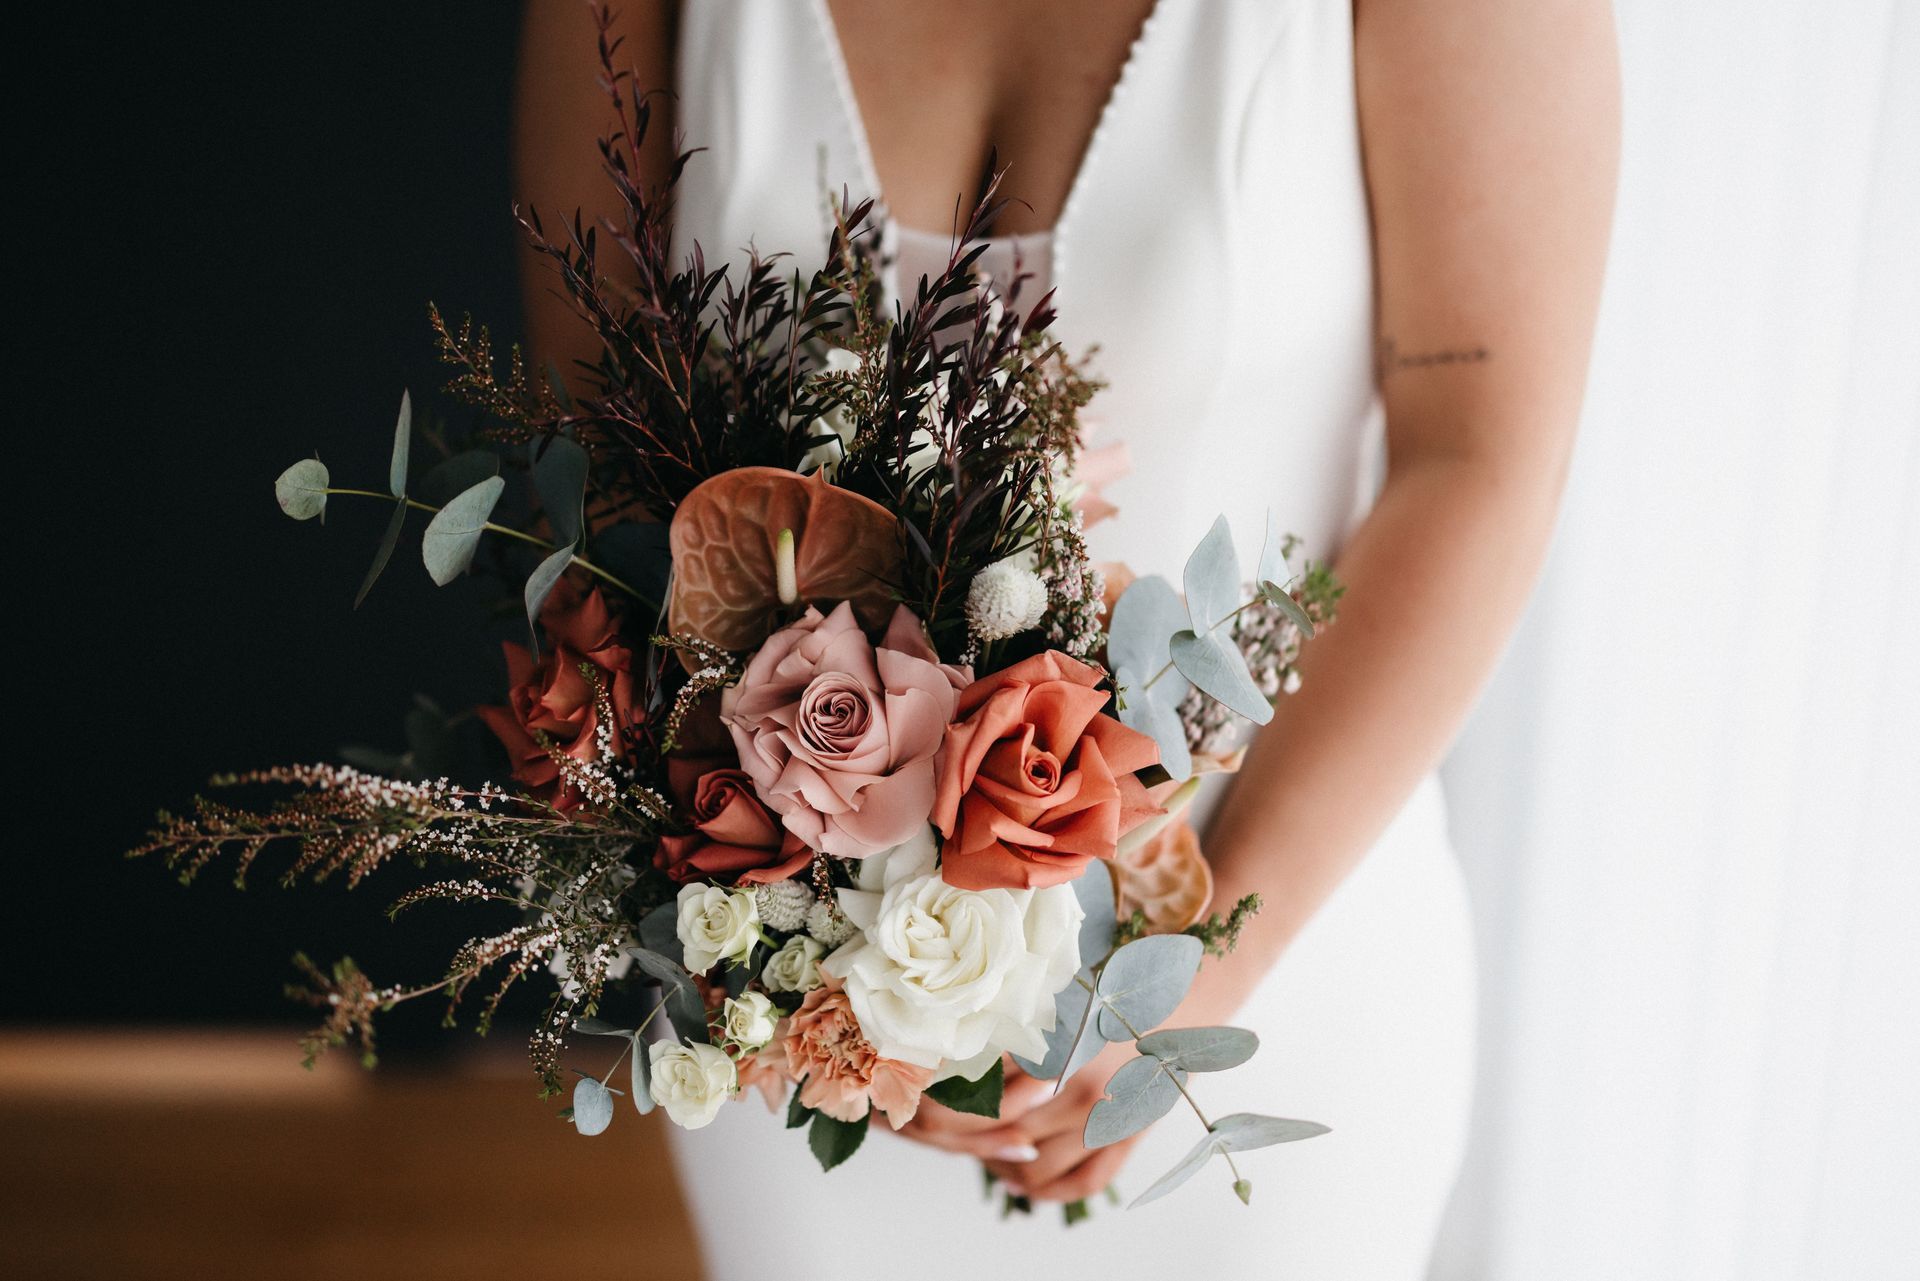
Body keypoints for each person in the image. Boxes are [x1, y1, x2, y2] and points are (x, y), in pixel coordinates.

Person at [515, 1, 1617, 1275]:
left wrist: (1193, 980)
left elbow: (1479, 460)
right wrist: (815, 981)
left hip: (1267, 985)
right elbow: (603, 478)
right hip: (817, 1062)